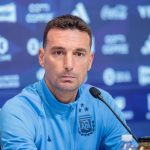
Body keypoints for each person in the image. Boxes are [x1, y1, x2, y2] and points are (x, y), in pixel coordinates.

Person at [0, 14, 136, 150]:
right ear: (42, 58)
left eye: (79, 54)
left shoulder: (102, 103)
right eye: (59, 52)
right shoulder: (17, 112)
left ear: (90, 61)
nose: (69, 65)